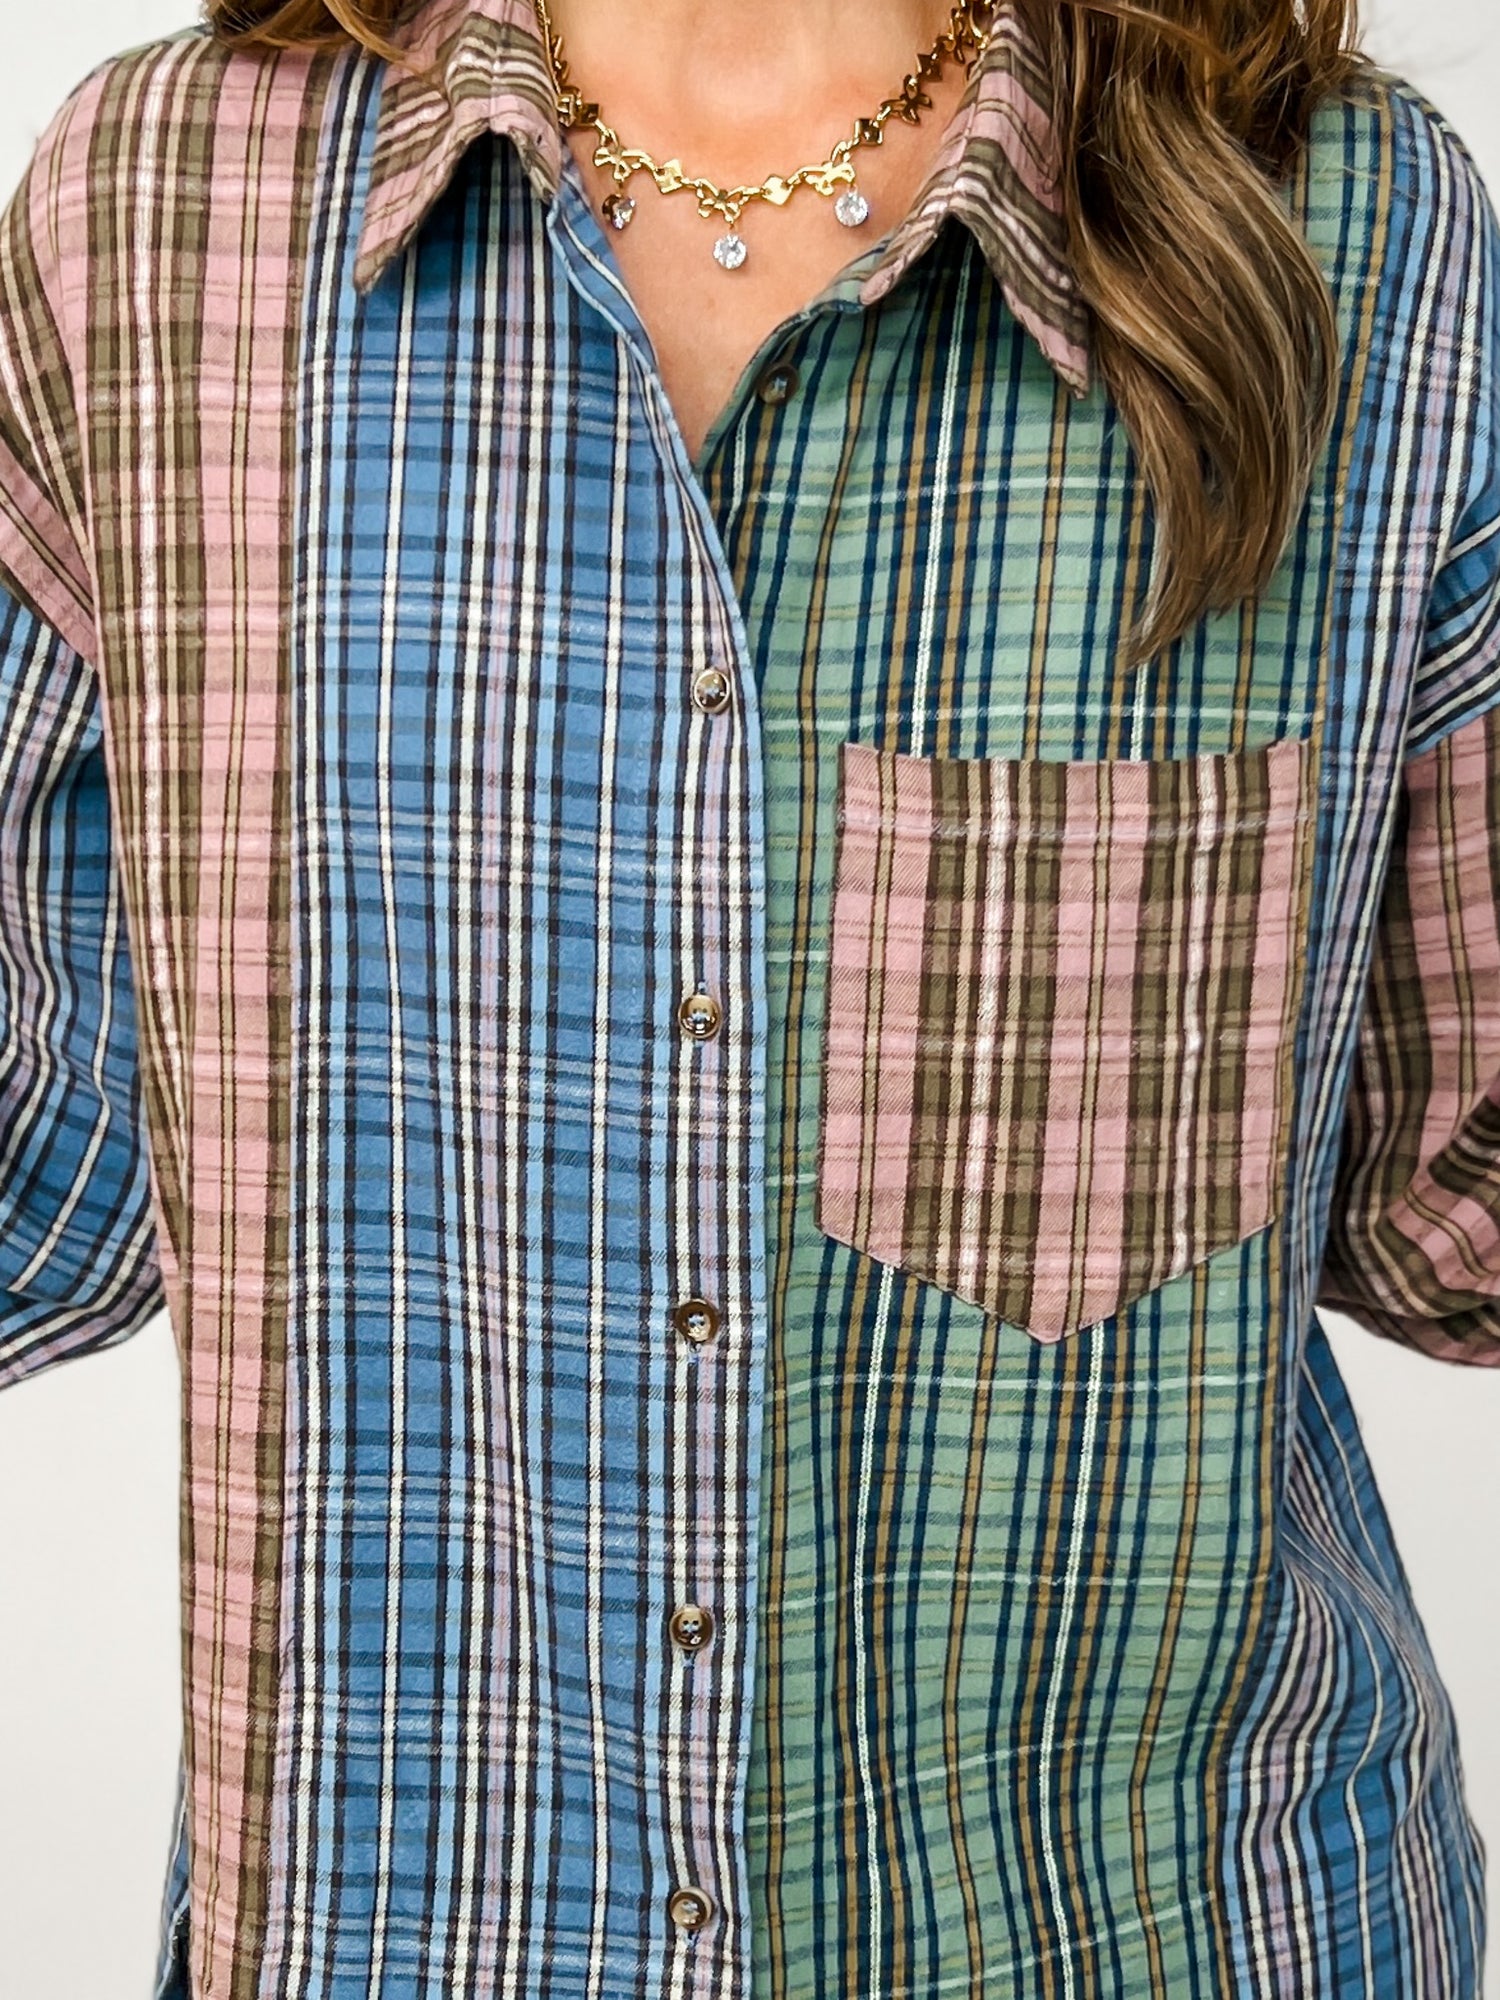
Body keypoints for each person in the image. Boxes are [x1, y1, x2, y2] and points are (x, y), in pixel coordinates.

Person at [0, 0, 1496, 1993]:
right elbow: (55, 1160)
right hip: (409, 1936)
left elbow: (1446, 1198)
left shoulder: (1356, 236)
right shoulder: (160, 212)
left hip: (1154, 1924)